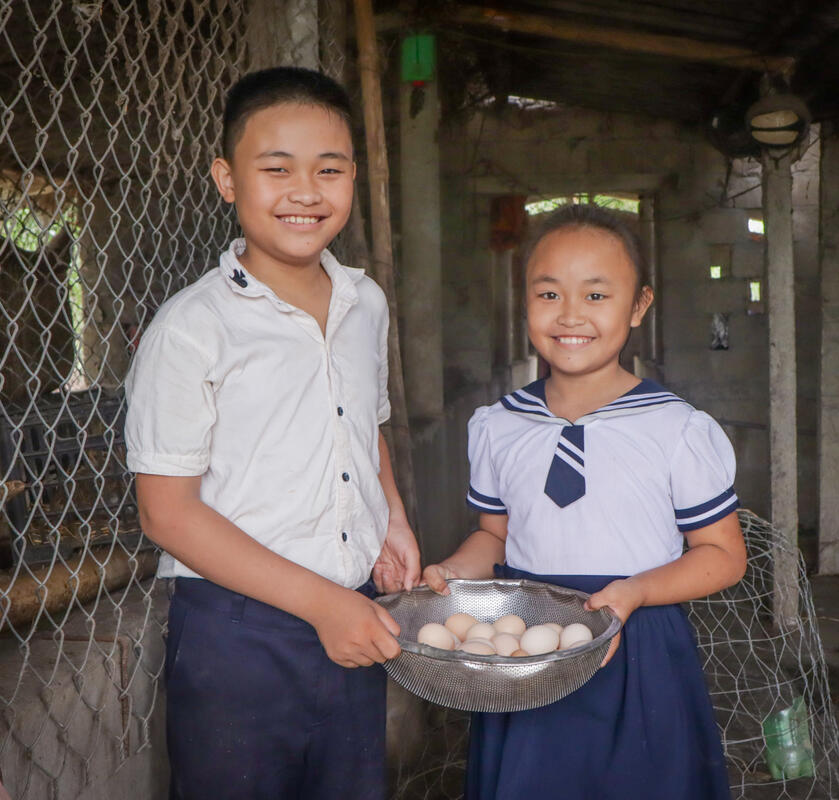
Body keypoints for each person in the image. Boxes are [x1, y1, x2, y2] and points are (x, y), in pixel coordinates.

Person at [124, 66, 420, 800]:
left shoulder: (365, 302)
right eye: (275, 168)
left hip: (352, 611)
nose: (305, 192)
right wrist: (323, 605)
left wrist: (394, 521)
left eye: (329, 169)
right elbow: (167, 513)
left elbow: (360, 423)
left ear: (353, 175)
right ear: (227, 179)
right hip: (237, 631)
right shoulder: (192, 329)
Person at [422, 203, 746, 800]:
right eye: (549, 294)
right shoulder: (499, 425)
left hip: (637, 649)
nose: (570, 315)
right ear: (524, 301)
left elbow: (723, 555)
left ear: (640, 306)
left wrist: (636, 592)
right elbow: (493, 536)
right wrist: (452, 572)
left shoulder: (675, 429)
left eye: (596, 296)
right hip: (526, 645)